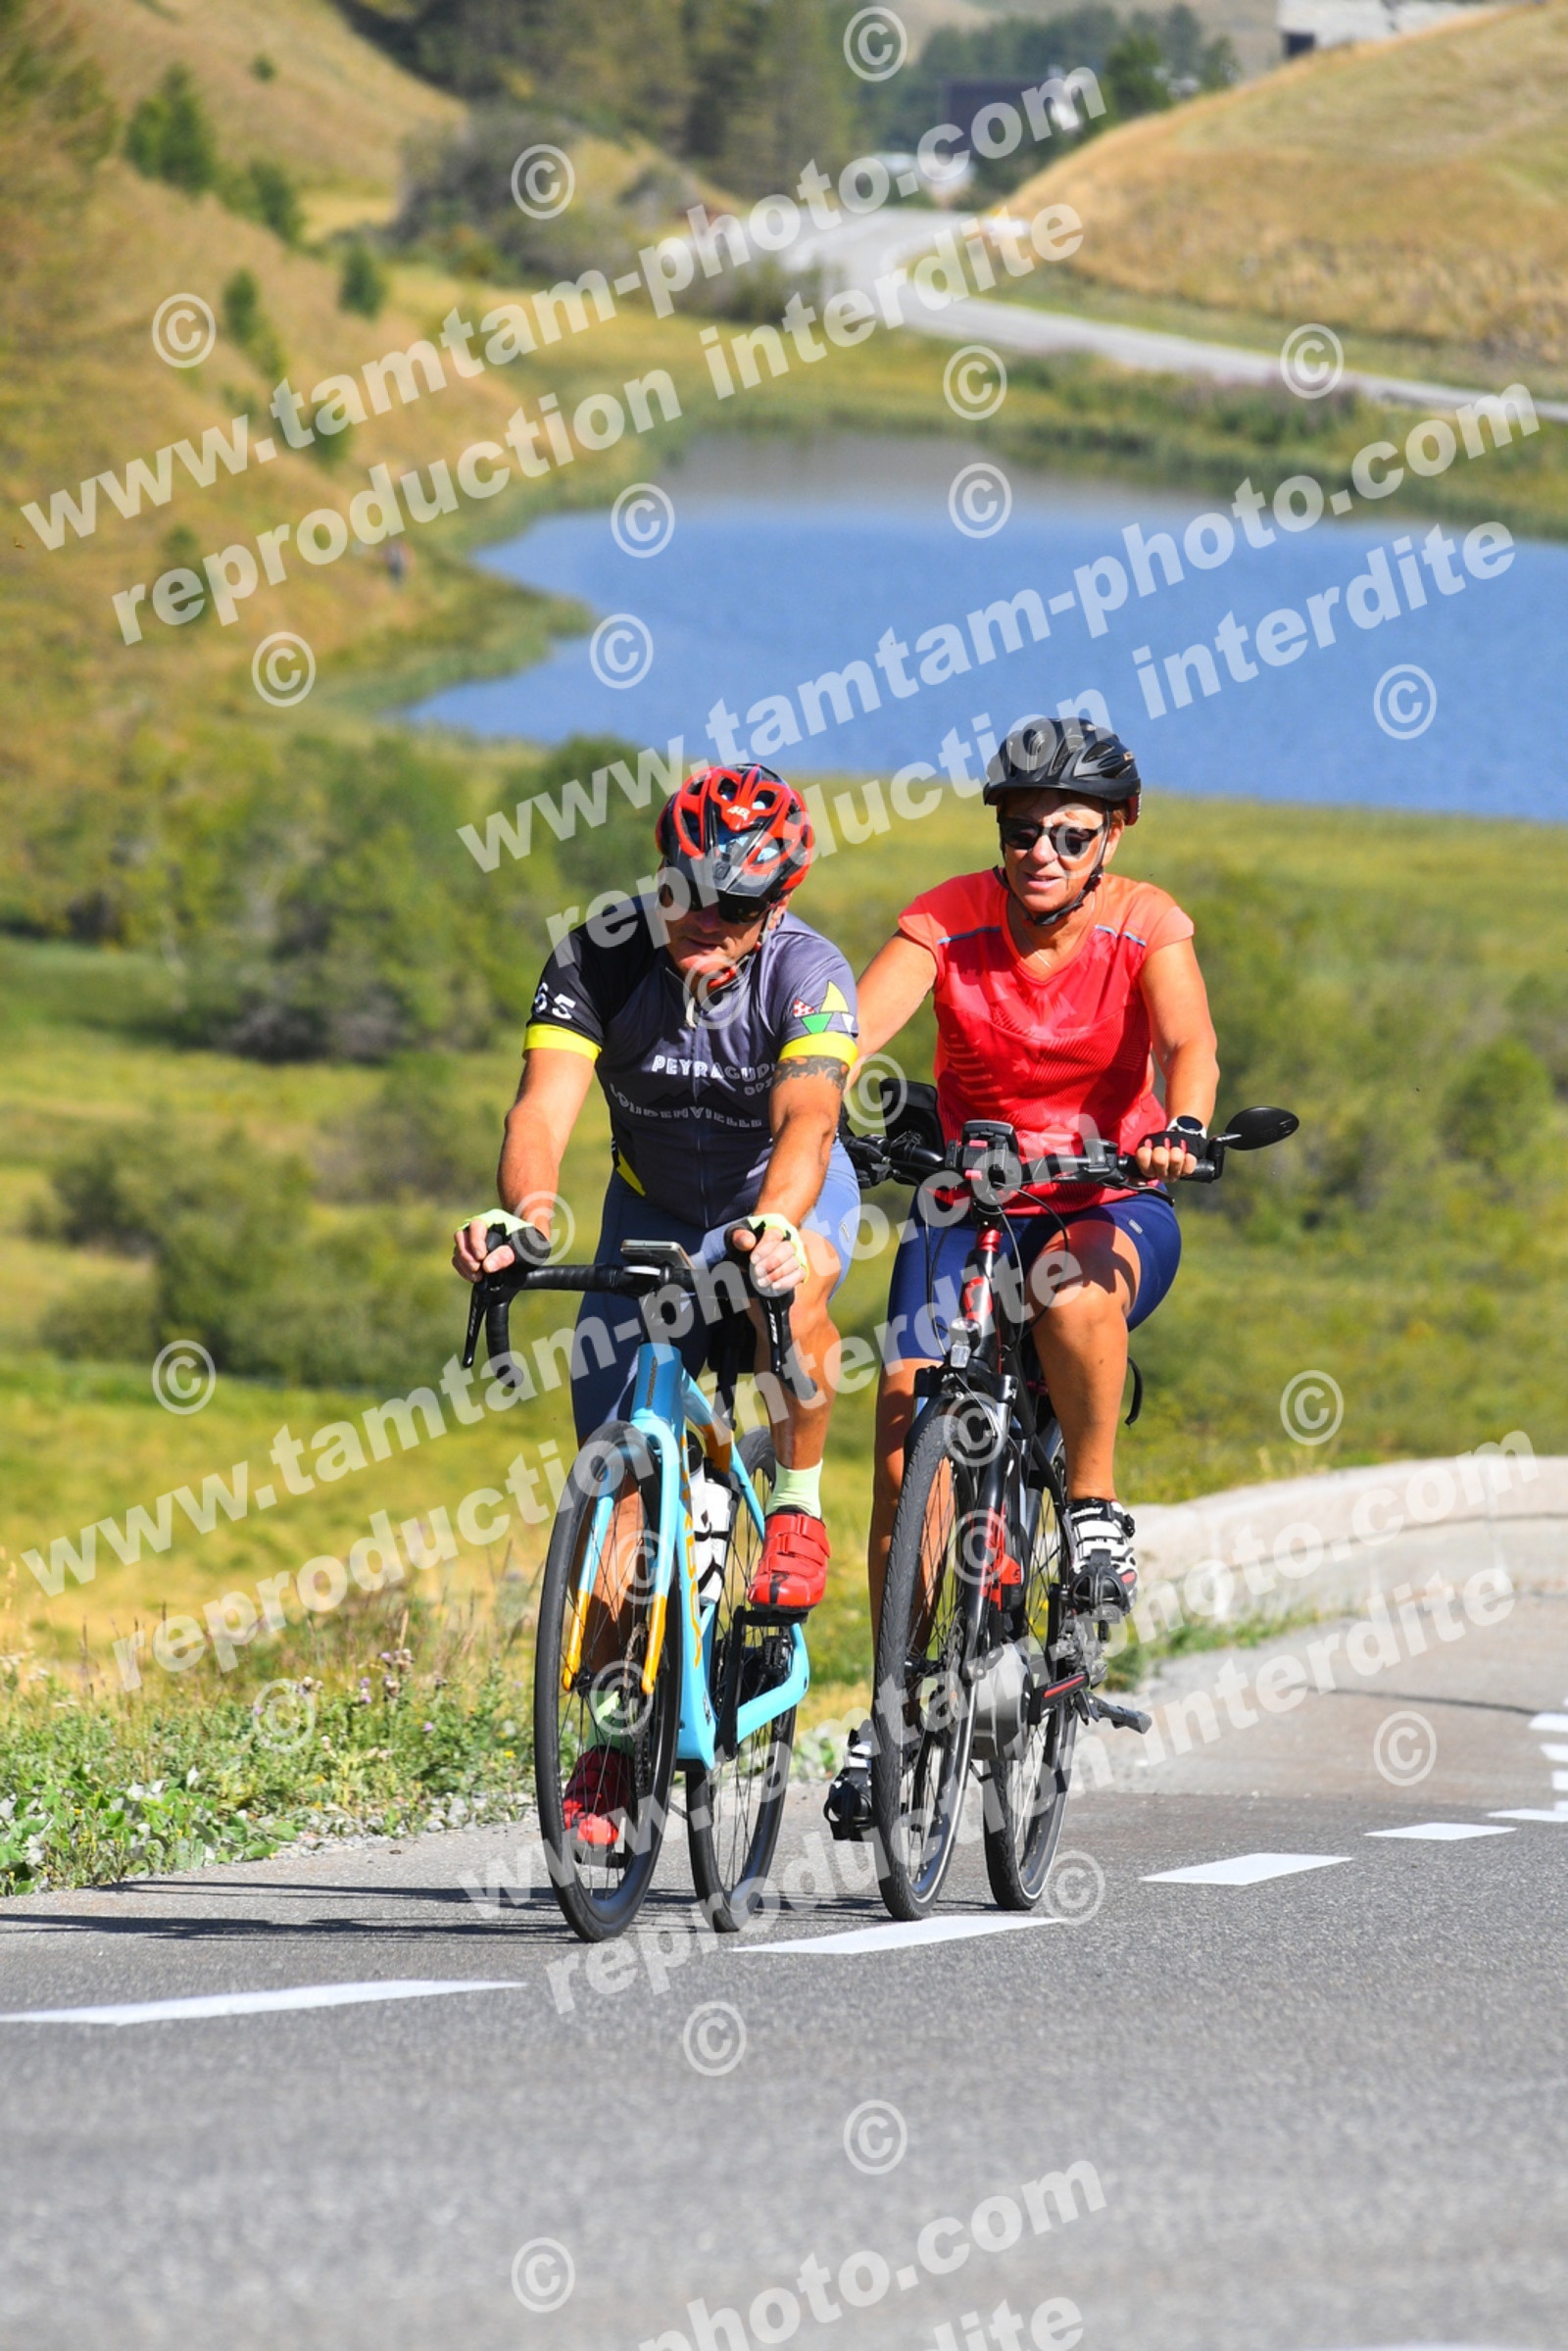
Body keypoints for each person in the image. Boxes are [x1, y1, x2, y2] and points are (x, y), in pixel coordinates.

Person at [826, 717, 1219, 1833]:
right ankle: (893, 1711)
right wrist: (819, 1084)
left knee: (1075, 1295)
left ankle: (1090, 1508)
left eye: (1069, 834)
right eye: (1020, 831)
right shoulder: (945, 918)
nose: (1041, 851)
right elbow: (853, 1029)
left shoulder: (1146, 921)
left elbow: (1188, 1044)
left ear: (1114, 834)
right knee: (902, 1435)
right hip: (969, 1199)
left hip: (1106, 1194)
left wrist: (1182, 1127)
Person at [454, 763, 859, 1830]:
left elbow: (809, 1119)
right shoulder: (597, 952)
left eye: (737, 906)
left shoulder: (808, 972)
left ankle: (798, 1504)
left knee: (799, 1280)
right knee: (621, 1491)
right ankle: (613, 1749)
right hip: (649, 1211)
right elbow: (541, 1108)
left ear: (777, 904)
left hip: (776, 1193)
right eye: (687, 891)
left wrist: (777, 1224)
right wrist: (525, 1216)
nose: (706, 919)